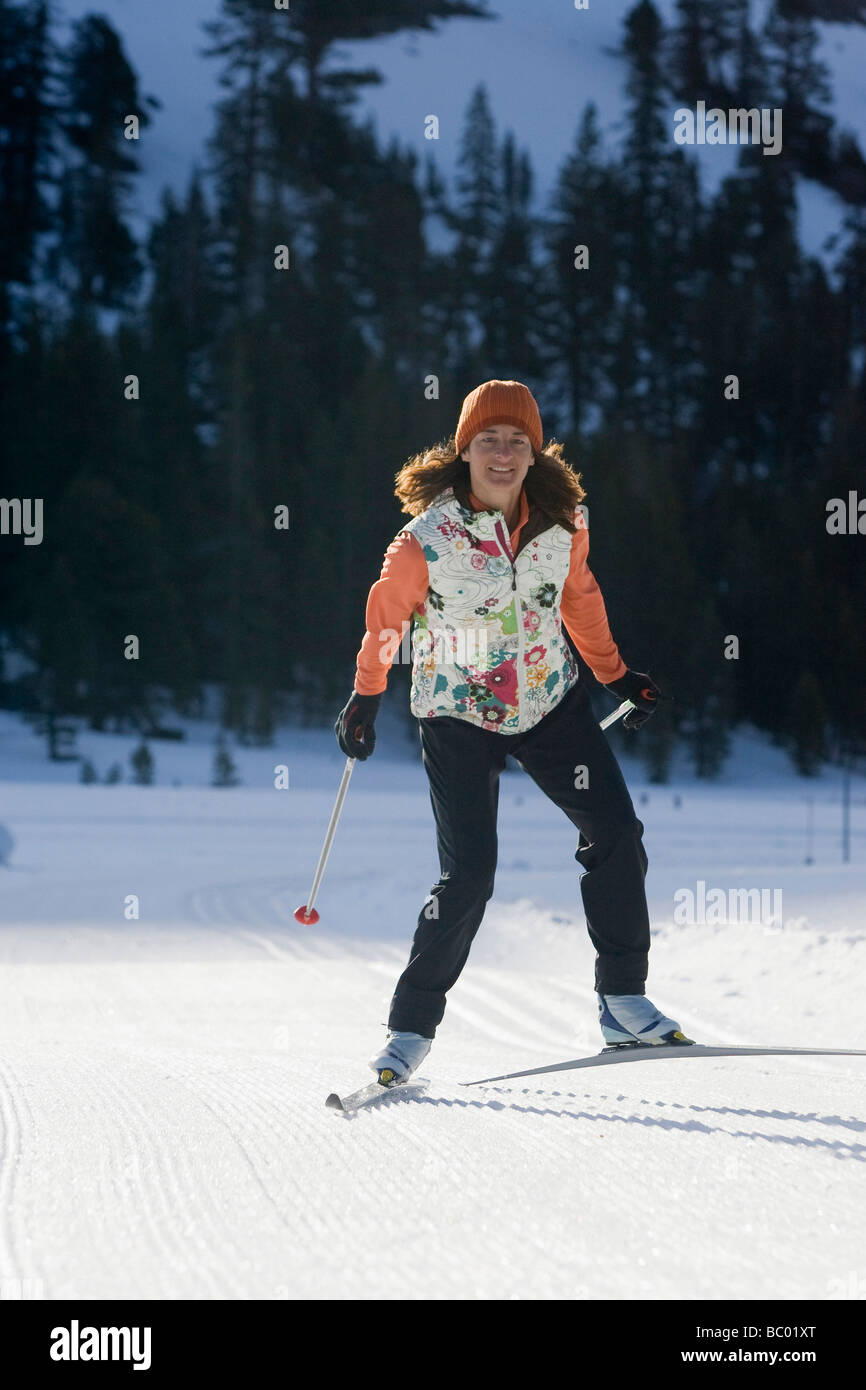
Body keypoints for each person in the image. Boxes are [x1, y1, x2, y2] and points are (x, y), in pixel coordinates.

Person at [335, 380, 690, 1085]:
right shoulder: (423, 542)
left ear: (535, 453)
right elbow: (387, 624)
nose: (503, 453)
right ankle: (408, 1033)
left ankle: (622, 1000)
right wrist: (365, 698)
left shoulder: (564, 522)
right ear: (464, 450)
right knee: (468, 876)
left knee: (616, 834)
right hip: (457, 715)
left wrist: (615, 677)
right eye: (489, 440)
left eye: (517, 441)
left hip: (549, 705)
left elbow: (579, 600)